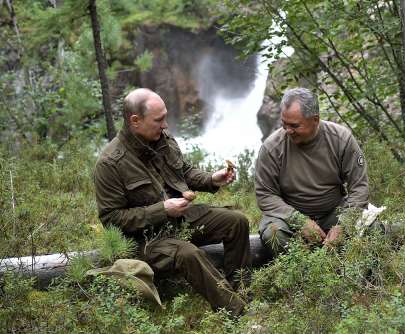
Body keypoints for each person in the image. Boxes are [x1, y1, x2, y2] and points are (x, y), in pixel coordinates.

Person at [93, 88, 249, 315]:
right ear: (135, 121)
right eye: (159, 120)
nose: (166, 125)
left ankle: (241, 289)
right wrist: (162, 210)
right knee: (189, 253)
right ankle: (237, 311)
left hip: (180, 220)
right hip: (145, 240)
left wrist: (211, 179)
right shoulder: (110, 164)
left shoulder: (161, 138)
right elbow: (111, 219)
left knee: (236, 222)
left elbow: (182, 171)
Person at [255, 87, 369, 256]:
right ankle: (304, 274)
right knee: (273, 234)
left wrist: (344, 224)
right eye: (284, 123)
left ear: (315, 119)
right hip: (289, 219)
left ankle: (344, 271)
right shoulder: (271, 147)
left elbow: (359, 187)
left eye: (294, 125)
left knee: (371, 227)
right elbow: (265, 195)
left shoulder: (341, 139)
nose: (288, 130)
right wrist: (300, 221)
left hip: (333, 213)